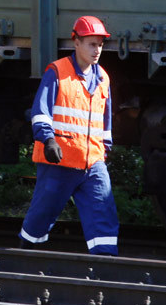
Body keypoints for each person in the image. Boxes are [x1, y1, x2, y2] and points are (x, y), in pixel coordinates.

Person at [18, 14, 118, 254]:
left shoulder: (103, 77)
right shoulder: (57, 72)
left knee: (103, 214)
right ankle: (26, 257)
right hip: (59, 160)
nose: (97, 50)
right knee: (41, 218)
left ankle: (106, 267)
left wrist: (104, 148)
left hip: (92, 163)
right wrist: (48, 140)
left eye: (100, 45)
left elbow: (105, 121)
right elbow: (40, 112)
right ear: (76, 43)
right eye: (92, 44)